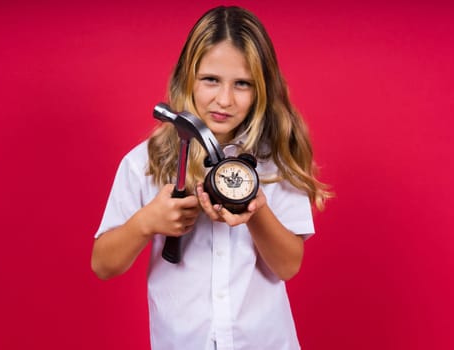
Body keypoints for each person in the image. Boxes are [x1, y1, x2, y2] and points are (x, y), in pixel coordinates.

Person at [91, 5, 331, 350]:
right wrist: (147, 222)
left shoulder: (274, 162)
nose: (224, 99)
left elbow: (288, 266)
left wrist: (255, 209)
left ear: (262, 88)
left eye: (243, 84)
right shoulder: (144, 162)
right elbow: (103, 265)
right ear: (187, 77)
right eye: (211, 80)